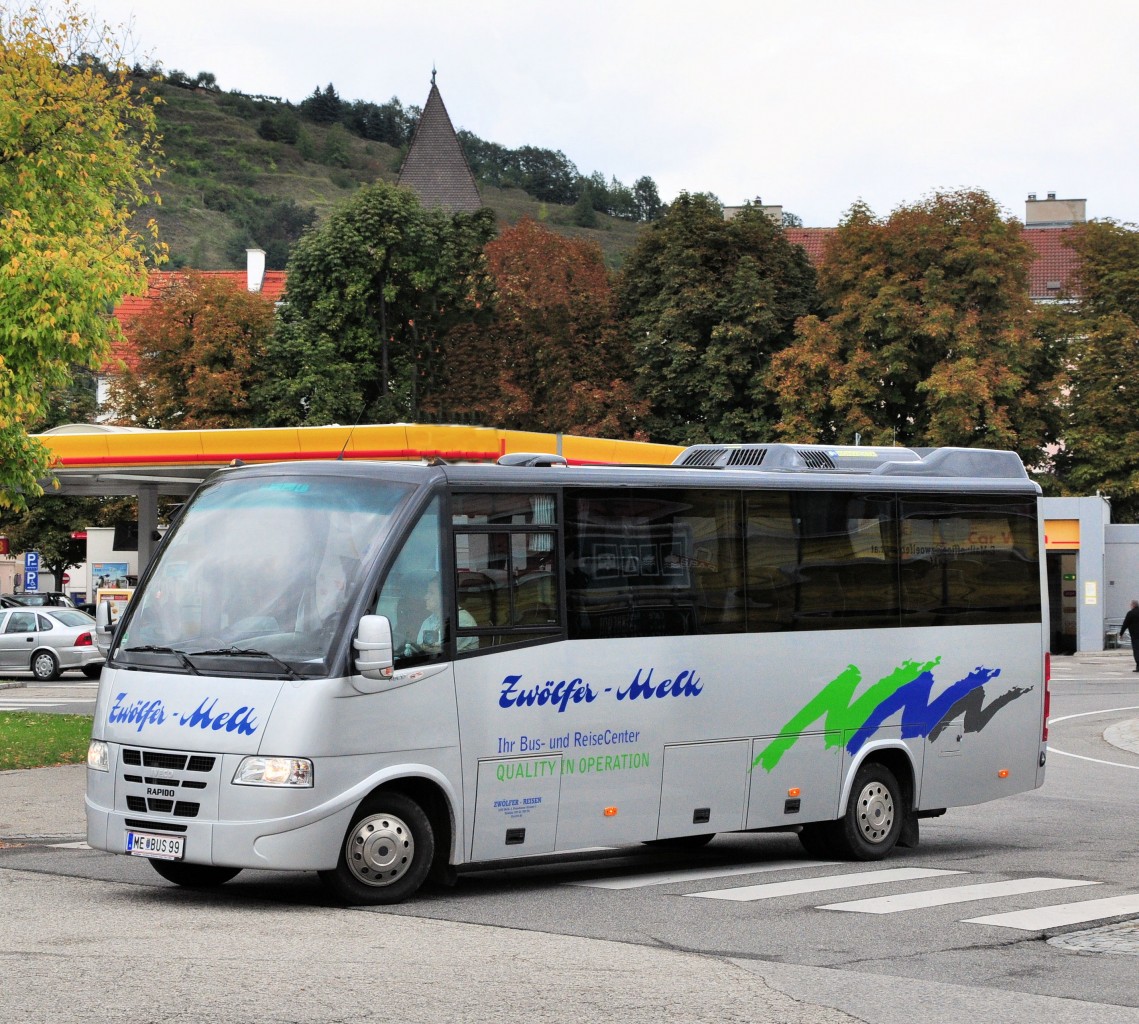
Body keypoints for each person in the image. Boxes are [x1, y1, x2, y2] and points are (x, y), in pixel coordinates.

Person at [418, 587, 478, 652]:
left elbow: (439, 650)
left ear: (445, 597)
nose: (425, 597)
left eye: (431, 593)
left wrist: (424, 647)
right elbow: (420, 645)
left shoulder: (461, 619)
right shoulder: (429, 620)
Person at [1119, 599, 1139, 672]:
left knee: (1137, 651)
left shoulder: (1130, 613)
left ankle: (1138, 666)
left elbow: (1125, 624)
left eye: (1130, 605)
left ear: (1133, 605)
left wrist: (1121, 634)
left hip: (1135, 636)